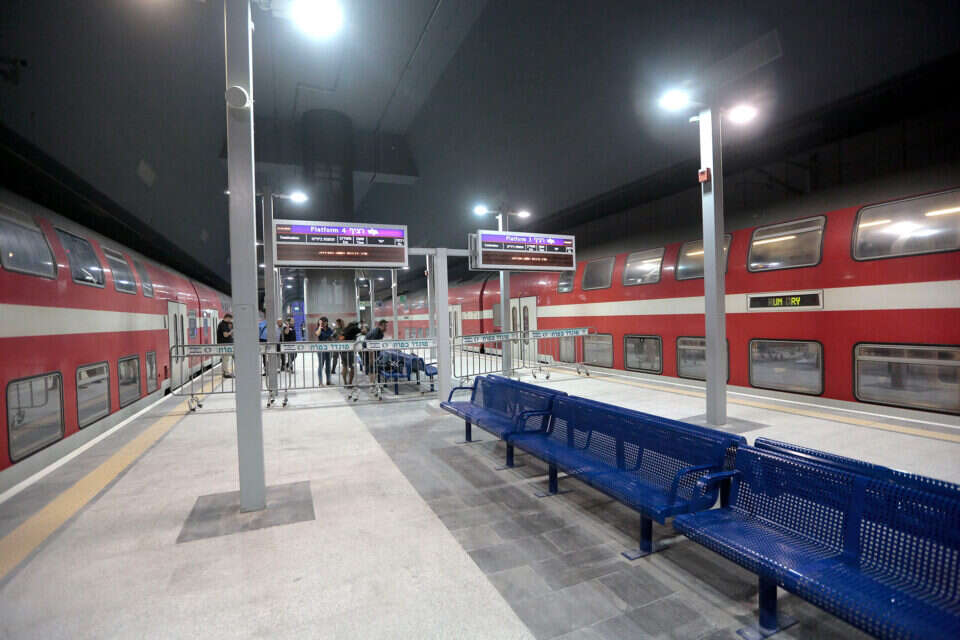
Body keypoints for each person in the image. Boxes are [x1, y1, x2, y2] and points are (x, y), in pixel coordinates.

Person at [339, 320, 362, 387]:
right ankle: (350, 383)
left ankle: (345, 383)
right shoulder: (354, 329)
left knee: (345, 366)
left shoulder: (345, 330)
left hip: (343, 350)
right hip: (350, 350)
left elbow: (340, 338)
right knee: (352, 367)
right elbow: (361, 331)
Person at [315, 316, 333, 385]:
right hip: (321, 349)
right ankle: (320, 382)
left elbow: (331, 337)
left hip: (328, 349)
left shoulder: (329, 329)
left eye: (326, 321)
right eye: (323, 322)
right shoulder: (318, 328)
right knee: (321, 365)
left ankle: (328, 381)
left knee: (328, 365)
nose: (325, 323)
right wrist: (320, 326)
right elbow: (317, 334)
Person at [216, 313, 234, 377]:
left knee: (225, 359)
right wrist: (232, 331)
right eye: (230, 319)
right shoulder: (223, 325)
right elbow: (225, 335)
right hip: (225, 344)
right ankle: (226, 373)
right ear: (227, 318)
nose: (230, 320)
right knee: (226, 359)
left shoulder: (225, 324)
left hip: (225, 344)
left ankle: (225, 372)